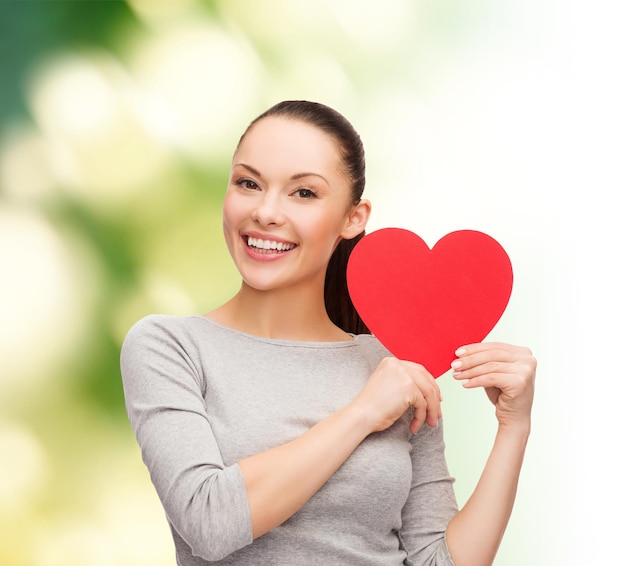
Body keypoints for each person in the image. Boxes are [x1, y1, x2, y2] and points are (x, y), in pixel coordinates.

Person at [120, 100, 536, 566]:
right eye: (248, 183)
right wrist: (361, 413)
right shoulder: (169, 347)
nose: (266, 212)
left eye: (303, 193)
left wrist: (513, 427)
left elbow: (438, 561)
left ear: (353, 218)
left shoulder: (396, 365)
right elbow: (209, 523)